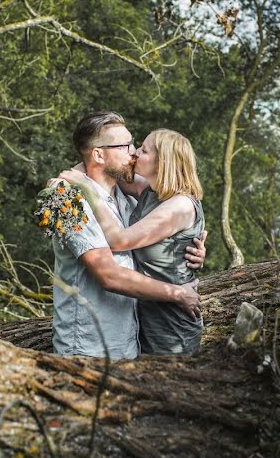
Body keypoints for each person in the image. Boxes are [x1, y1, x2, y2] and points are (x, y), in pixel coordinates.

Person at [50, 112, 206, 360]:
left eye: (137, 145)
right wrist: (178, 292)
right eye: (126, 146)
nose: (134, 152)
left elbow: (156, 238)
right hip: (88, 348)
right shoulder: (65, 200)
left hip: (130, 343)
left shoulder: (128, 200)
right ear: (99, 154)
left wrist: (188, 248)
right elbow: (109, 276)